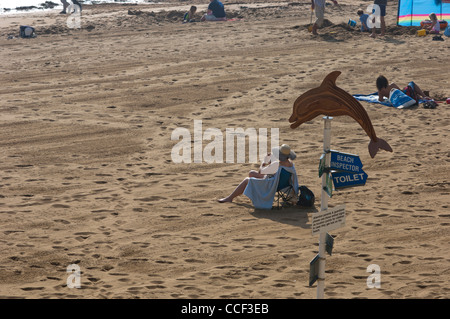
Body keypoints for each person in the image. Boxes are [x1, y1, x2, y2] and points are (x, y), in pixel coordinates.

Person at [218, 144, 299, 209]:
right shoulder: (291, 165)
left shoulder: (276, 164)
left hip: (271, 185)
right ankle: (250, 192)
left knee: (247, 179)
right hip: (281, 184)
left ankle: (230, 198)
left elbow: (261, 171)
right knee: (252, 173)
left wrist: (265, 161)